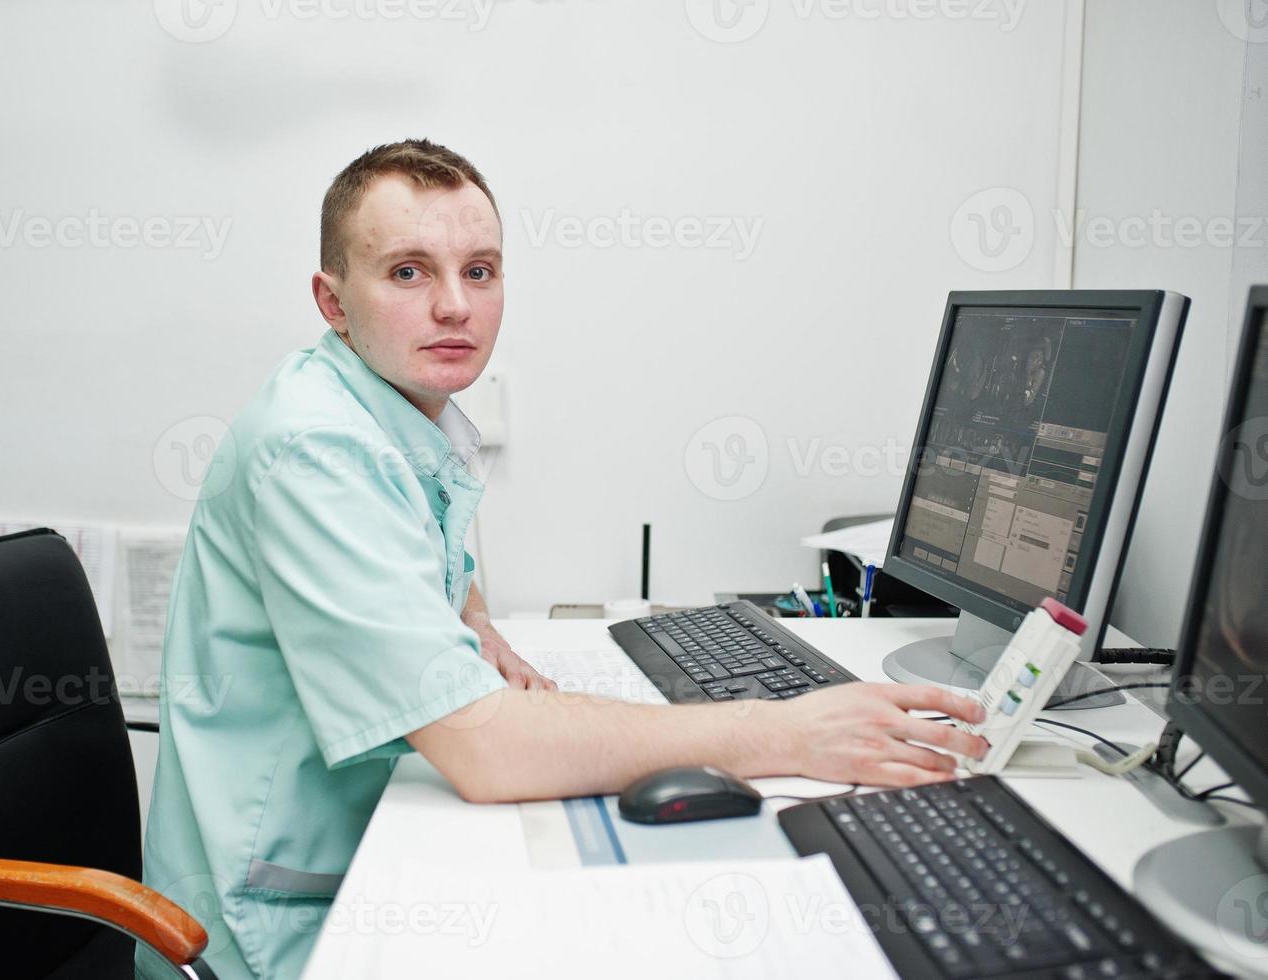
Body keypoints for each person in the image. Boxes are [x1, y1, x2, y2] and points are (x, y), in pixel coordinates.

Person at [138, 138, 987, 980]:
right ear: (332, 301)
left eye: (479, 270)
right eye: (407, 272)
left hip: (350, 858)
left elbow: (415, 542)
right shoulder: (316, 449)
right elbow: (485, 750)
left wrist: (466, 620)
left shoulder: (381, 409)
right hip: (266, 933)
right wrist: (782, 730)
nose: (453, 306)